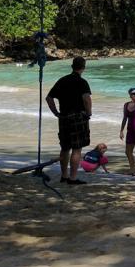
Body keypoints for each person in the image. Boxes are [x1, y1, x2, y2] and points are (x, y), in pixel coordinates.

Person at [46, 56, 92, 185]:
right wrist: (89, 113)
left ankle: (64, 176)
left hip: (64, 117)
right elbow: (86, 99)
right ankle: (73, 178)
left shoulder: (62, 80)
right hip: (78, 117)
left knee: (65, 147)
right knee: (77, 148)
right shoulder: (82, 82)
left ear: (72, 66)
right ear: (83, 67)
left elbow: (49, 98)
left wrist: (56, 113)